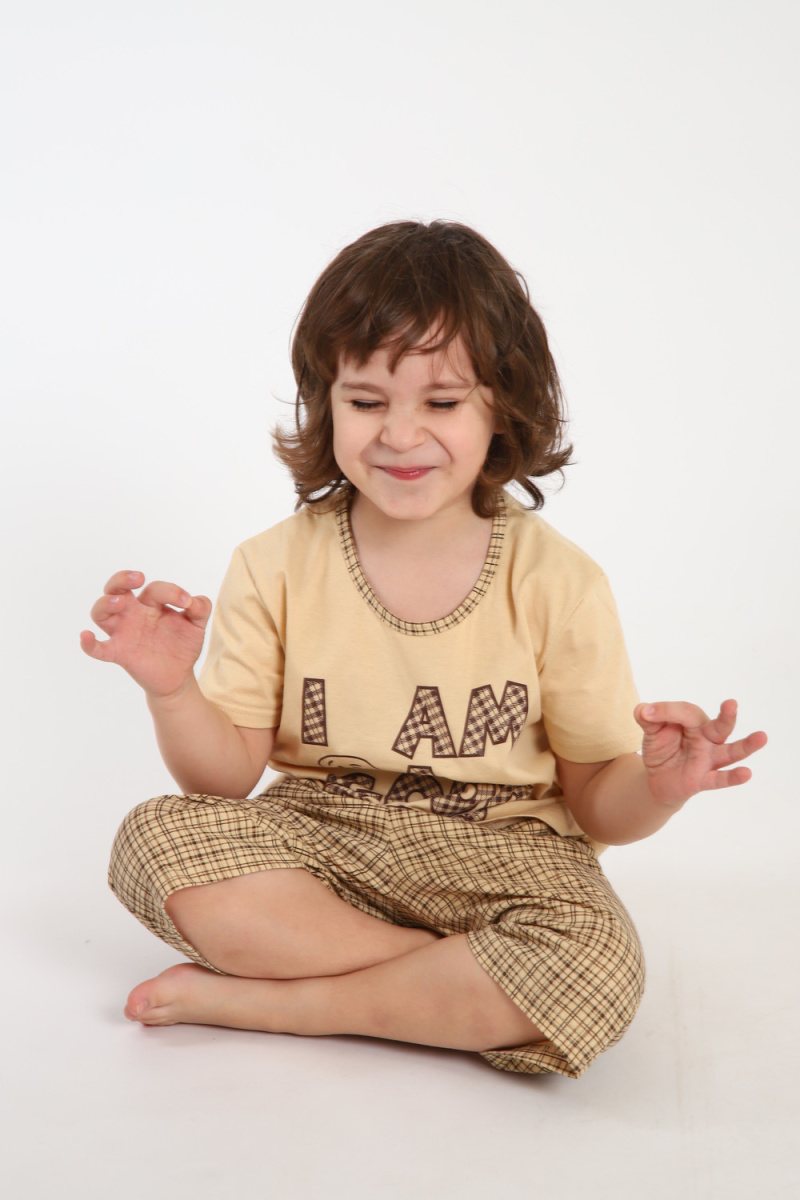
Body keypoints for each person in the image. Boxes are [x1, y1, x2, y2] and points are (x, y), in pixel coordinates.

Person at [81, 220, 767, 1078]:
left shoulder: (558, 581)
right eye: (367, 402)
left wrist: (659, 789)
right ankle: (448, 985)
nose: (400, 436)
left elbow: (599, 806)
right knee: (153, 839)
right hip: (325, 841)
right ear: (325, 402)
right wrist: (172, 689)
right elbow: (219, 782)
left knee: (596, 962)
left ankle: (285, 1004)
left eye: (441, 404)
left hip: (509, 859)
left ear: (502, 406)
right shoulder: (274, 564)